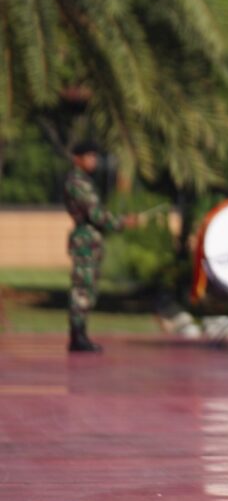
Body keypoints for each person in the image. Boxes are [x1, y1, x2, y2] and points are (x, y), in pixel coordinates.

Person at [63, 143, 131, 353]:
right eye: (89, 156)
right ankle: (77, 337)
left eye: (94, 156)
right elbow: (96, 215)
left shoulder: (84, 181)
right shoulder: (78, 183)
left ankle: (80, 335)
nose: (94, 160)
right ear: (77, 158)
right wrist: (121, 223)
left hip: (90, 241)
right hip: (85, 241)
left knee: (88, 288)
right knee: (83, 288)